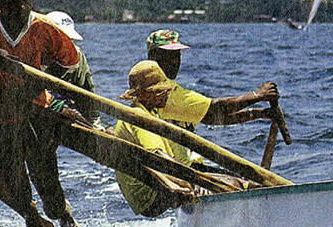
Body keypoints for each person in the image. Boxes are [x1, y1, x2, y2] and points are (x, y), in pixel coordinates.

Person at [0, 0, 84, 227]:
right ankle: (34, 221)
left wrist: (38, 84)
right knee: (15, 182)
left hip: (34, 112)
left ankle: (60, 214)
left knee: (47, 184)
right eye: (12, 2)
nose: (20, 8)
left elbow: (70, 62)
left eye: (25, 1)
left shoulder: (43, 27)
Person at [115, 60, 278, 217]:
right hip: (151, 194)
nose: (165, 94)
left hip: (156, 185)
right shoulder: (139, 116)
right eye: (159, 91)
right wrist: (197, 181)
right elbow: (158, 157)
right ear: (144, 94)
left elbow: (211, 116)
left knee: (240, 182)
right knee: (237, 184)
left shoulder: (153, 109)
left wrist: (258, 114)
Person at [144, 28, 279, 166]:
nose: (175, 62)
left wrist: (259, 114)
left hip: (188, 167)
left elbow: (210, 117)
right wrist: (258, 95)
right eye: (168, 56)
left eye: (177, 55)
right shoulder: (161, 92)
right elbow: (214, 108)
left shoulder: (171, 88)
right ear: (153, 57)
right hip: (179, 171)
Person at [41, 10, 102, 129]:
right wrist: (59, 107)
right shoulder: (32, 51)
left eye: (69, 40)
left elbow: (87, 94)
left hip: (66, 114)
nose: (66, 44)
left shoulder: (77, 55)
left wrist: (95, 124)